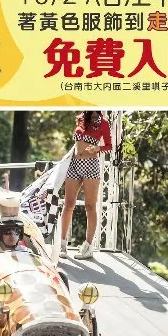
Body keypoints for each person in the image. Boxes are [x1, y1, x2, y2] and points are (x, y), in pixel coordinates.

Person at [58, 111, 111, 259]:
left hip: (91, 165)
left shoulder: (104, 123)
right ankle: (62, 244)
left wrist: (97, 148)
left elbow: (109, 145)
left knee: (90, 206)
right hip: (74, 164)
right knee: (68, 204)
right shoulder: (80, 118)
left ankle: (88, 247)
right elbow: (77, 143)